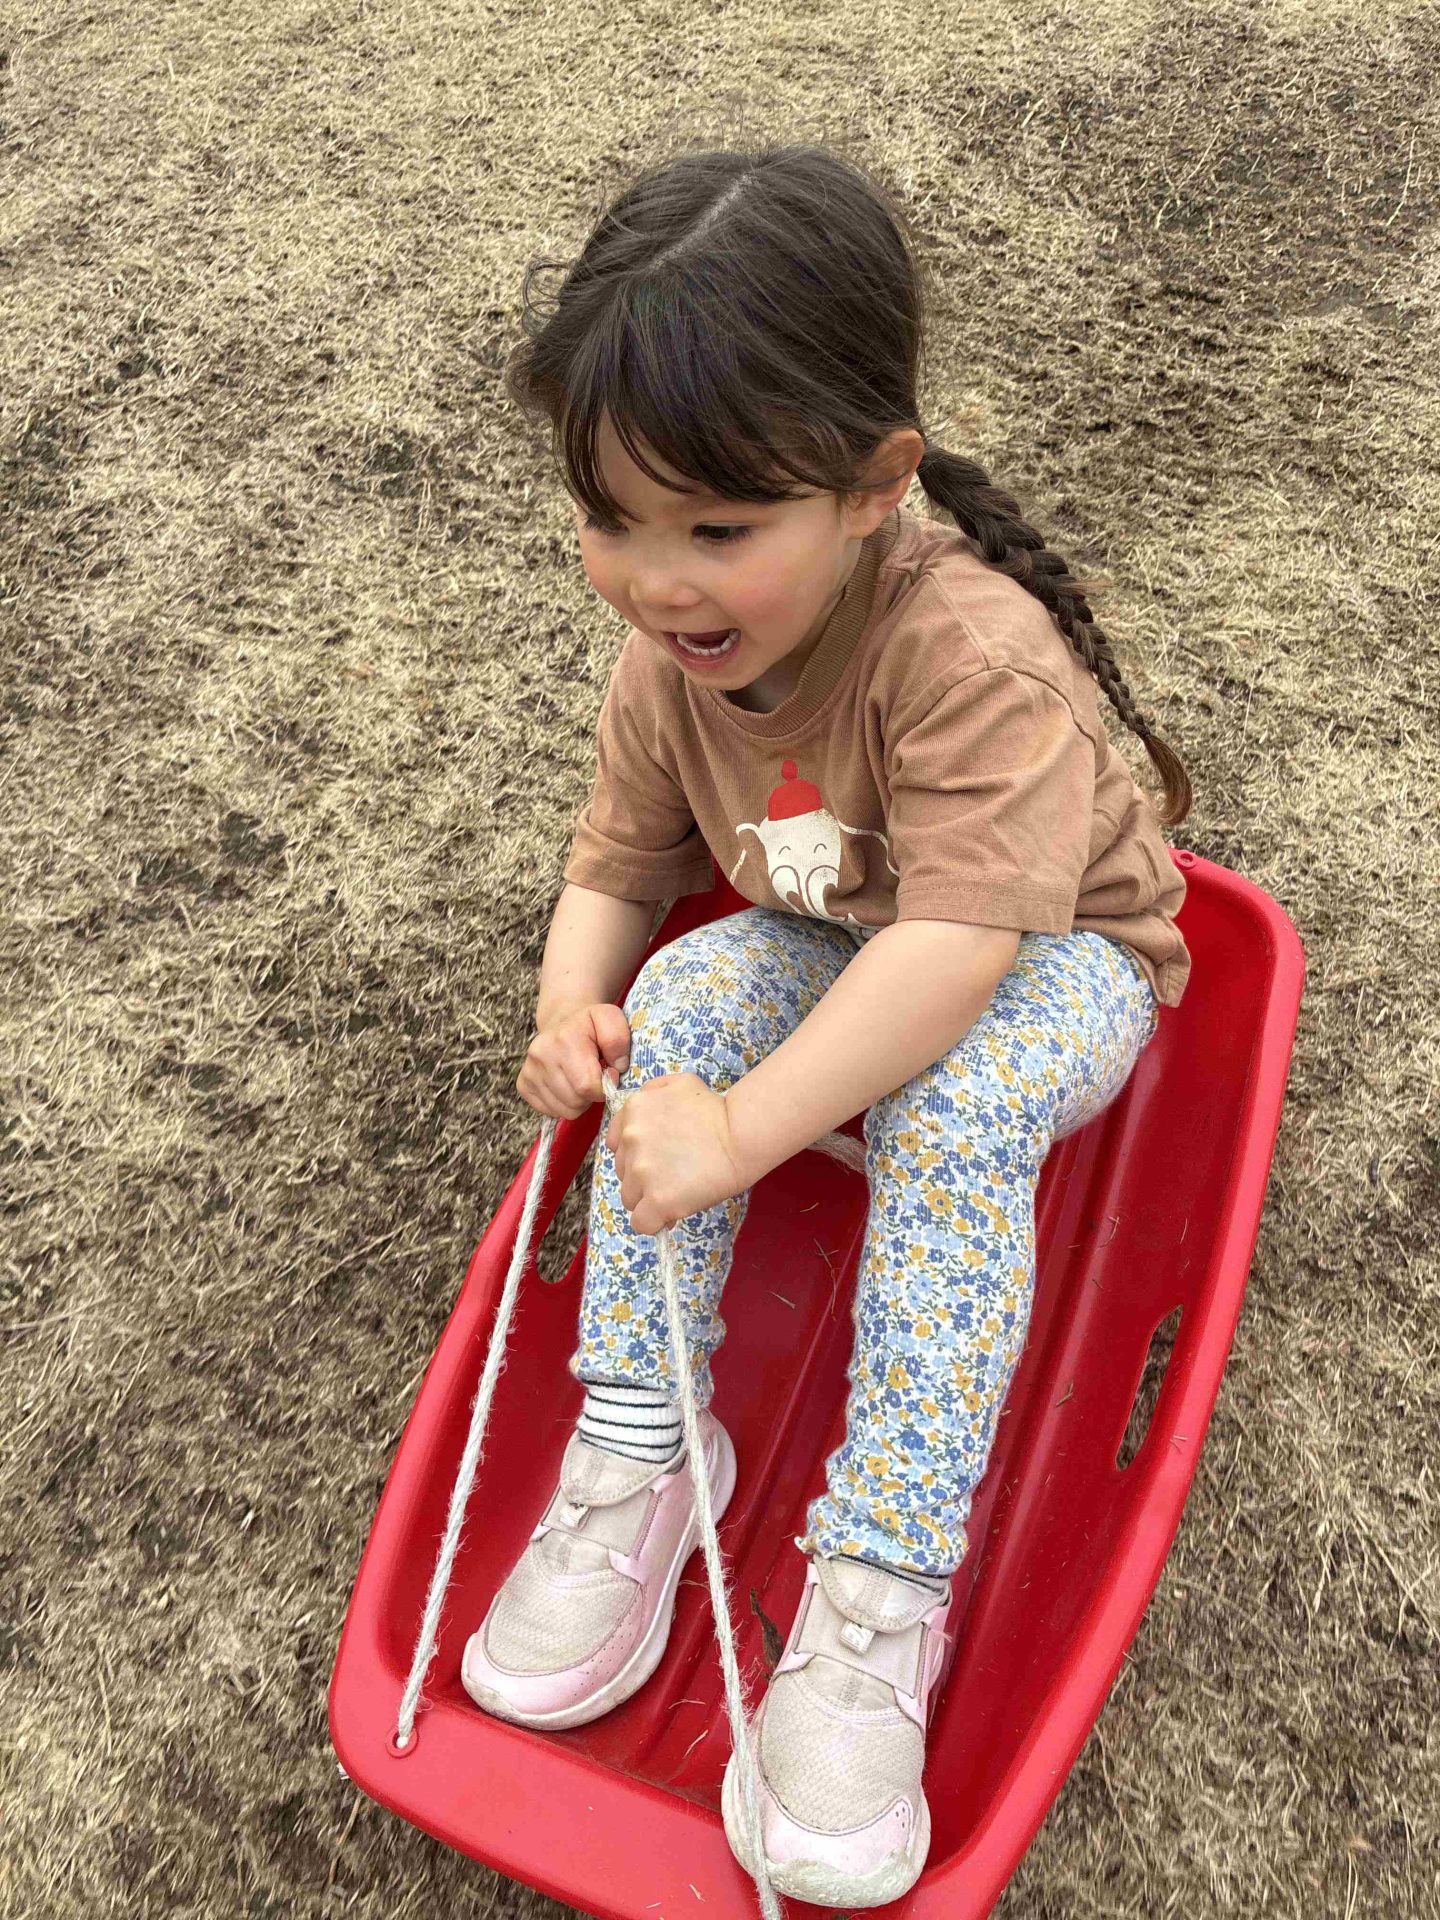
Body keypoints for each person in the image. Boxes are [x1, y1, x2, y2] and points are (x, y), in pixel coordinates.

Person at [460, 141, 1193, 1908]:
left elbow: (954, 954)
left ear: (873, 488)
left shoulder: (970, 656)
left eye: (718, 532)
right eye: (613, 523)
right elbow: (621, 861)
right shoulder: (673, 659)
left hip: (1052, 952)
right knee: (681, 993)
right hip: (841, 924)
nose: (657, 582)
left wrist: (739, 1131)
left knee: (952, 1108)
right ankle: (650, 1441)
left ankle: (880, 1581)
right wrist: (573, 1010)